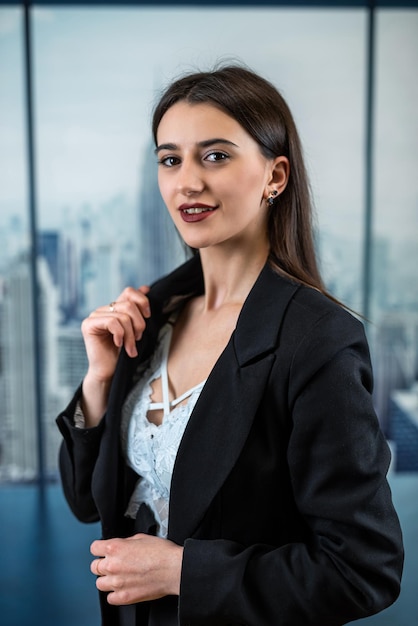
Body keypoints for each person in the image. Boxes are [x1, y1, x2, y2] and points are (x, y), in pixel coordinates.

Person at [56, 64, 404, 626]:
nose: (187, 181)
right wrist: (98, 382)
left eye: (215, 156)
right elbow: (88, 503)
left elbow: (364, 569)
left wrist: (181, 572)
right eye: (170, 160)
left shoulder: (317, 340)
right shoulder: (152, 316)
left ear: (275, 176)